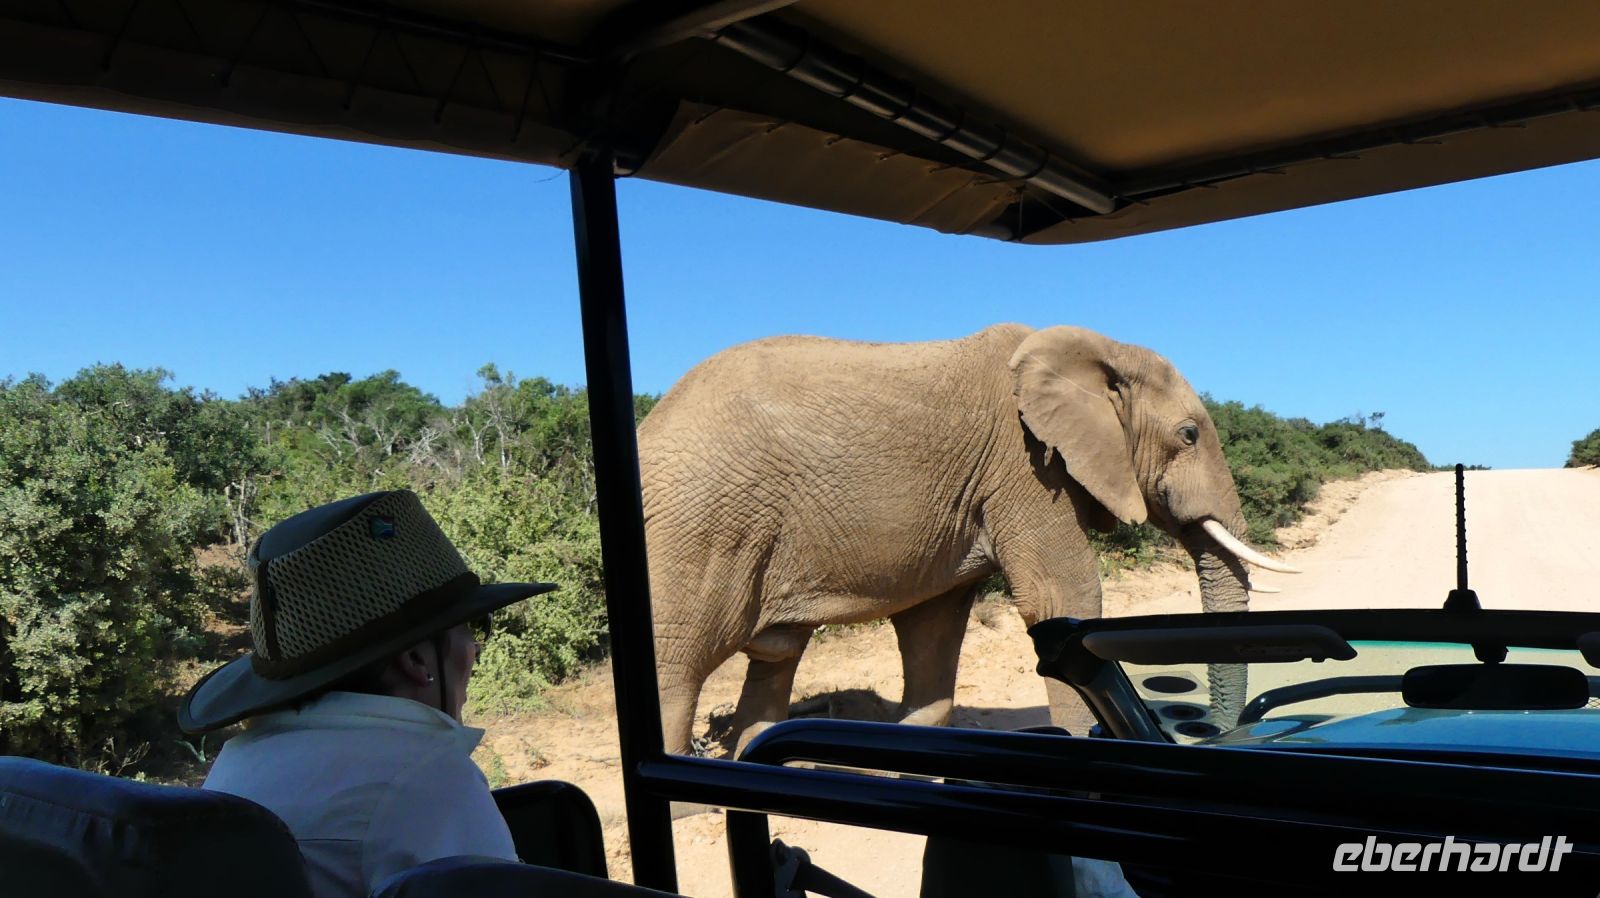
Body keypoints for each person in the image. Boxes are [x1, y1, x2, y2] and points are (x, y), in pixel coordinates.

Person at [179, 490, 556, 898]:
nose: (475, 650)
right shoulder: (426, 775)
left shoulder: (237, 760)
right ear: (416, 659)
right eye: (473, 627)